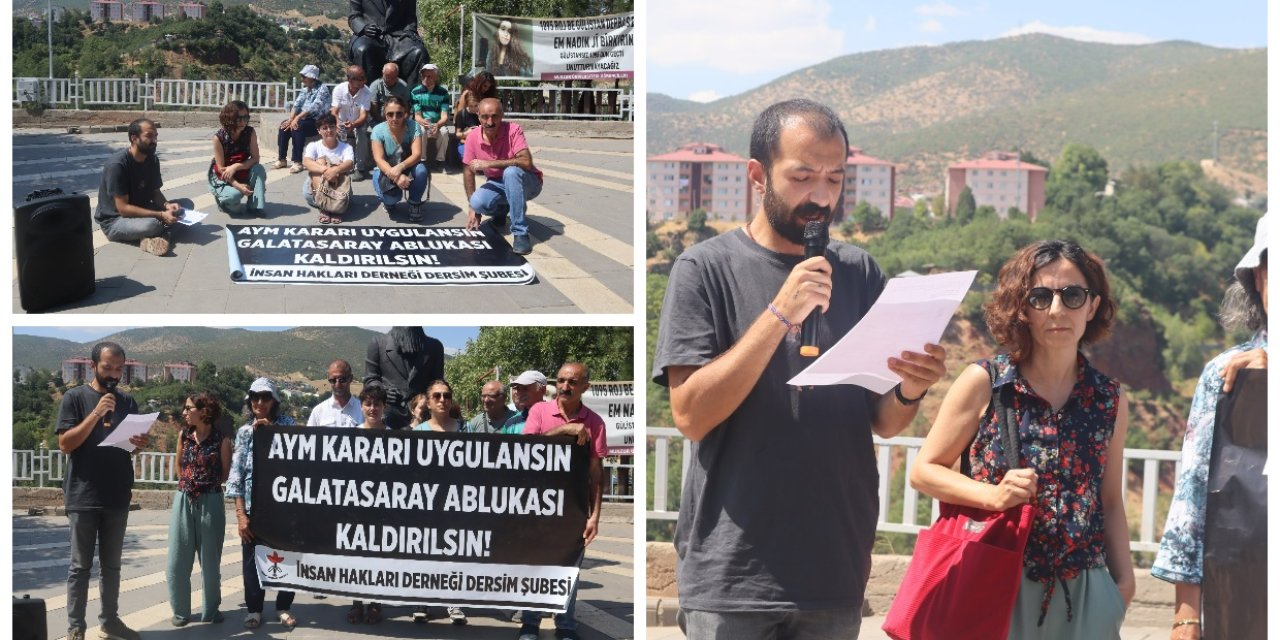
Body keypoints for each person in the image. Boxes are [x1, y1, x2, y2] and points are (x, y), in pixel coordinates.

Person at [652, 99, 948, 638]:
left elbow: (883, 421)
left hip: (833, 569)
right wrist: (779, 314)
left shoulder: (860, 271)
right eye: (804, 176)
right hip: (733, 576)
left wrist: (911, 387)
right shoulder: (704, 270)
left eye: (835, 178)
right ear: (757, 175)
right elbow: (691, 415)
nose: (821, 196)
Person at [910, 239, 1134, 638]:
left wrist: (1122, 586)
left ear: (1092, 306)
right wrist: (991, 496)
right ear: (1022, 308)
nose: (1056, 310)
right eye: (1040, 296)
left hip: (1084, 590)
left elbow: (1111, 500)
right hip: (996, 579)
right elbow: (925, 471)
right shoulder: (987, 382)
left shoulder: (1109, 398)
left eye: (1072, 296)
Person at [1153, 213, 1268, 639]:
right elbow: (1192, 497)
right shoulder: (1225, 374)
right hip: (1241, 601)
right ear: (1257, 276)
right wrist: (1186, 617)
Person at [58, 341, 153, 640]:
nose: (113, 374)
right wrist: (96, 414)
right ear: (93, 366)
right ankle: (76, 627)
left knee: (112, 567)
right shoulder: (74, 398)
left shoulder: (127, 401)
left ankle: (110, 621)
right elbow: (65, 444)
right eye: (107, 367)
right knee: (80, 568)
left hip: (117, 495)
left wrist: (138, 445)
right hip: (83, 495)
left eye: (118, 369)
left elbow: (129, 449)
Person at [517, 362, 607, 640]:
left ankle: (565, 625)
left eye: (573, 382)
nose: (566, 386)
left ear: (585, 387)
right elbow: (524, 451)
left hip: (574, 509)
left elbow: (596, 473)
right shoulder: (539, 411)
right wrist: (563, 431)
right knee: (535, 565)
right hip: (537, 506)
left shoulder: (596, 422)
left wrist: (594, 516)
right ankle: (530, 622)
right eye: (562, 381)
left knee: (571, 569)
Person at [226, 378, 299, 630]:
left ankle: (284, 606)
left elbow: (297, 462)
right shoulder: (245, 432)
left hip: (284, 507)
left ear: (274, 401)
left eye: (265, 397)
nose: (259, 402)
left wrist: (271, 435)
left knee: (287, 558)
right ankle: (254, 609)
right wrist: (240, 514)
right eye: (254, 397)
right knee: (250, 561)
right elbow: (236, 473)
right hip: (253, 507)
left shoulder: (288, 425)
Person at [167, 392, 231, 626]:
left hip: (211, 501)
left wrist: (204, 485)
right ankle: (181, 612)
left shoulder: (222, 441)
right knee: (177, 560)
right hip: (183, 499)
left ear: (204, 411)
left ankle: (211, 611)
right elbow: (178, 465)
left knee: (210, 561)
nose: (184, 412)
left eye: (188, 408)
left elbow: (224, 474)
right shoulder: (183, 435)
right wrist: (187, 485)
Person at [464, 98, 544, 255]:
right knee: (477, 202)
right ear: (478, 116)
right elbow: (468, 170)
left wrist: (489, 164)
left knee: (511, 172)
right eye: (485, 117)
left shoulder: (513, 130)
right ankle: (502, 209)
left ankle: (520, 233)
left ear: (502, 115)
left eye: (494, 116)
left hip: (528, 182)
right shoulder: (473, 136)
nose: (490, 121)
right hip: (498, 183)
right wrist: (473, 209)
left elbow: (526, 162)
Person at [94, 118, 183, 256]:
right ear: (134, 138)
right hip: (116, 221)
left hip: (142, 209)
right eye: (149, 136)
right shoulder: (117, 165)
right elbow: (123, 209)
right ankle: (161, 235)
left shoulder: (152, 159)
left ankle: (154, 238)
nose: (154, 140)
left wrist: (167, 206)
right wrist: (160, 215)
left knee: (184, 208)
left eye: (155, 136)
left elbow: (156, 193)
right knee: (153, 224)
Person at [348, 385, 390, 624]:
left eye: (377, 404)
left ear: (384, 407)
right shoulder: (352, 434)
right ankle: (356, 603)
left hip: (384, 509)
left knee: (378, 558)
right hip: (357, 509)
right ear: (361, 406)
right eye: (368, 404)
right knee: (356, 558)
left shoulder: (395, 434)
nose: (373, 408)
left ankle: (375, 604)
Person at [364, 327, 445, 429]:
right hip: (388, 414)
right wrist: (383, 392)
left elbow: (437, 383)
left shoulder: (434, 347)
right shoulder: (377, 343)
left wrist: (424, 400)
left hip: (422, 416)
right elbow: (370, 378)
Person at [369, 95, 429, 221]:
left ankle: (414, 203)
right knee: (390, 199)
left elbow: (417, 154)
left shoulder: (414, 126)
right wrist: (396, 176)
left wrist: (401, 167)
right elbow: (379, 159)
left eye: (399, 114)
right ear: (385, 114)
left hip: (408, 165)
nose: (394, 118)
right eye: (390, 114)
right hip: (386, 168)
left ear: (405, 114)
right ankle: (389, 203)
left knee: (421, 170)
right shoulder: (378, 130)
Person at [347, 0, 430, 86]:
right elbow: (354, 16)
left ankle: (412, 97)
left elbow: (410, 18)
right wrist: (364, 27)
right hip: (370, 36)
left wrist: (410, 30)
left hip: (398, 35)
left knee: (419, 52)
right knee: (363, 49)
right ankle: (367, 96)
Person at [207, 100, 266, 217]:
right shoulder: (219, 138)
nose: (243, 122)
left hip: (241, 170)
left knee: (259, 169)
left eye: (246, 117)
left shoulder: (250, 132)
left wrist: (236, 166)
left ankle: (255, 206)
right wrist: (238, 186)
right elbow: (221, 169)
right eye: (239, 118)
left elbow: (255, 159)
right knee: (235, 198)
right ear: (229, 118)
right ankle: (223, 202)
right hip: (223, 176)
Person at [276, 64, 332, 174]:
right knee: (284, 126)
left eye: (304, 76)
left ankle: (297, 162)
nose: (302, 79)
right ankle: (282, 159)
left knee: (298, 127)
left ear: (312, 77)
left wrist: (297, 118)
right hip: (304, 118)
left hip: (318, 121)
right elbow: (297, 104)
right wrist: (291, 119)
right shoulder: (305, 90)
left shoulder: (322, 89)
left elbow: (314, 107)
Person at [302, 114, 356, 224]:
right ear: (319, 131)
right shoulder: (314, 146)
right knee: (319, 162)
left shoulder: (346, 147)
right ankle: (326, 207)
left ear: (336, 128)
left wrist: (335, 170)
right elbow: (306, 162)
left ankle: (333, 207)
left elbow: (350, 163)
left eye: (331, 126)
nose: (329, 130)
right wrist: (326, 170)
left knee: (339, 167)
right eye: (324, 128)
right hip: (314, 192)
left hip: (340, 189)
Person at [366, 61, 413, 182]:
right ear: (383, 74)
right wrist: (385, 122)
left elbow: (406, 106)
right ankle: (381, 161)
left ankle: (400, 161)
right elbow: (373, 107)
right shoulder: (376, 85)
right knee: (380, 133)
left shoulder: (403, 86)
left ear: (397, 75)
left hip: (398, 118)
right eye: (387, 77)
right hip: (378, 118)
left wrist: (403, 120)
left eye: (393, 77)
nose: (390, 80)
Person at [331, 65, 373, 183]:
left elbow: (364, 115)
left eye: (364, 77)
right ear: (350, 79)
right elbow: (334, 111)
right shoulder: (339, 89)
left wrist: (353, 124)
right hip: (342, 121)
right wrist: (338, 123)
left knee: (361, 134)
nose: (364, 81)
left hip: (359, 122)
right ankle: (341, 165)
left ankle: (360, 168)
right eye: (360, 78)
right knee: (335, 131)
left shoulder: (366, 92)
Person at [410, 63, 452, 172]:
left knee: (444, 133)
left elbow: (444, 116)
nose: (426, 79)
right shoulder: (415, 92)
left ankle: (441, 161)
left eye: (429, 76)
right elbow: (417, 116)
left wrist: (437, 125)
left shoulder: (443, 93)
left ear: (436, 77)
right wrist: (425, 123)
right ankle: (421, 160)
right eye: (424, 76)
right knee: (421, 131)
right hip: (422, 122)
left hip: (438, 123)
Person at [453, 71, 497, 164]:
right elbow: (460, 117)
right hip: (466, 134)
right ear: (479, 83)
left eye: (489, 87)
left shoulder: (488, 97)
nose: (486, 89)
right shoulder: (468, 94)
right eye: (485, 86)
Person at [307, 359, 364, 428]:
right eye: (333, 380)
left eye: (342, 380)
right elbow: (309, 437)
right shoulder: (318, 411)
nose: (337, 384)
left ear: (351, 378)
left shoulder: (363, 411)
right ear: (328, 379)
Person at [501, 370, 546, 434]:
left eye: (525, 389)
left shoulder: (557, 417)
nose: (519, 393)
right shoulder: (511, 424)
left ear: (543, 390)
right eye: (518, 389)